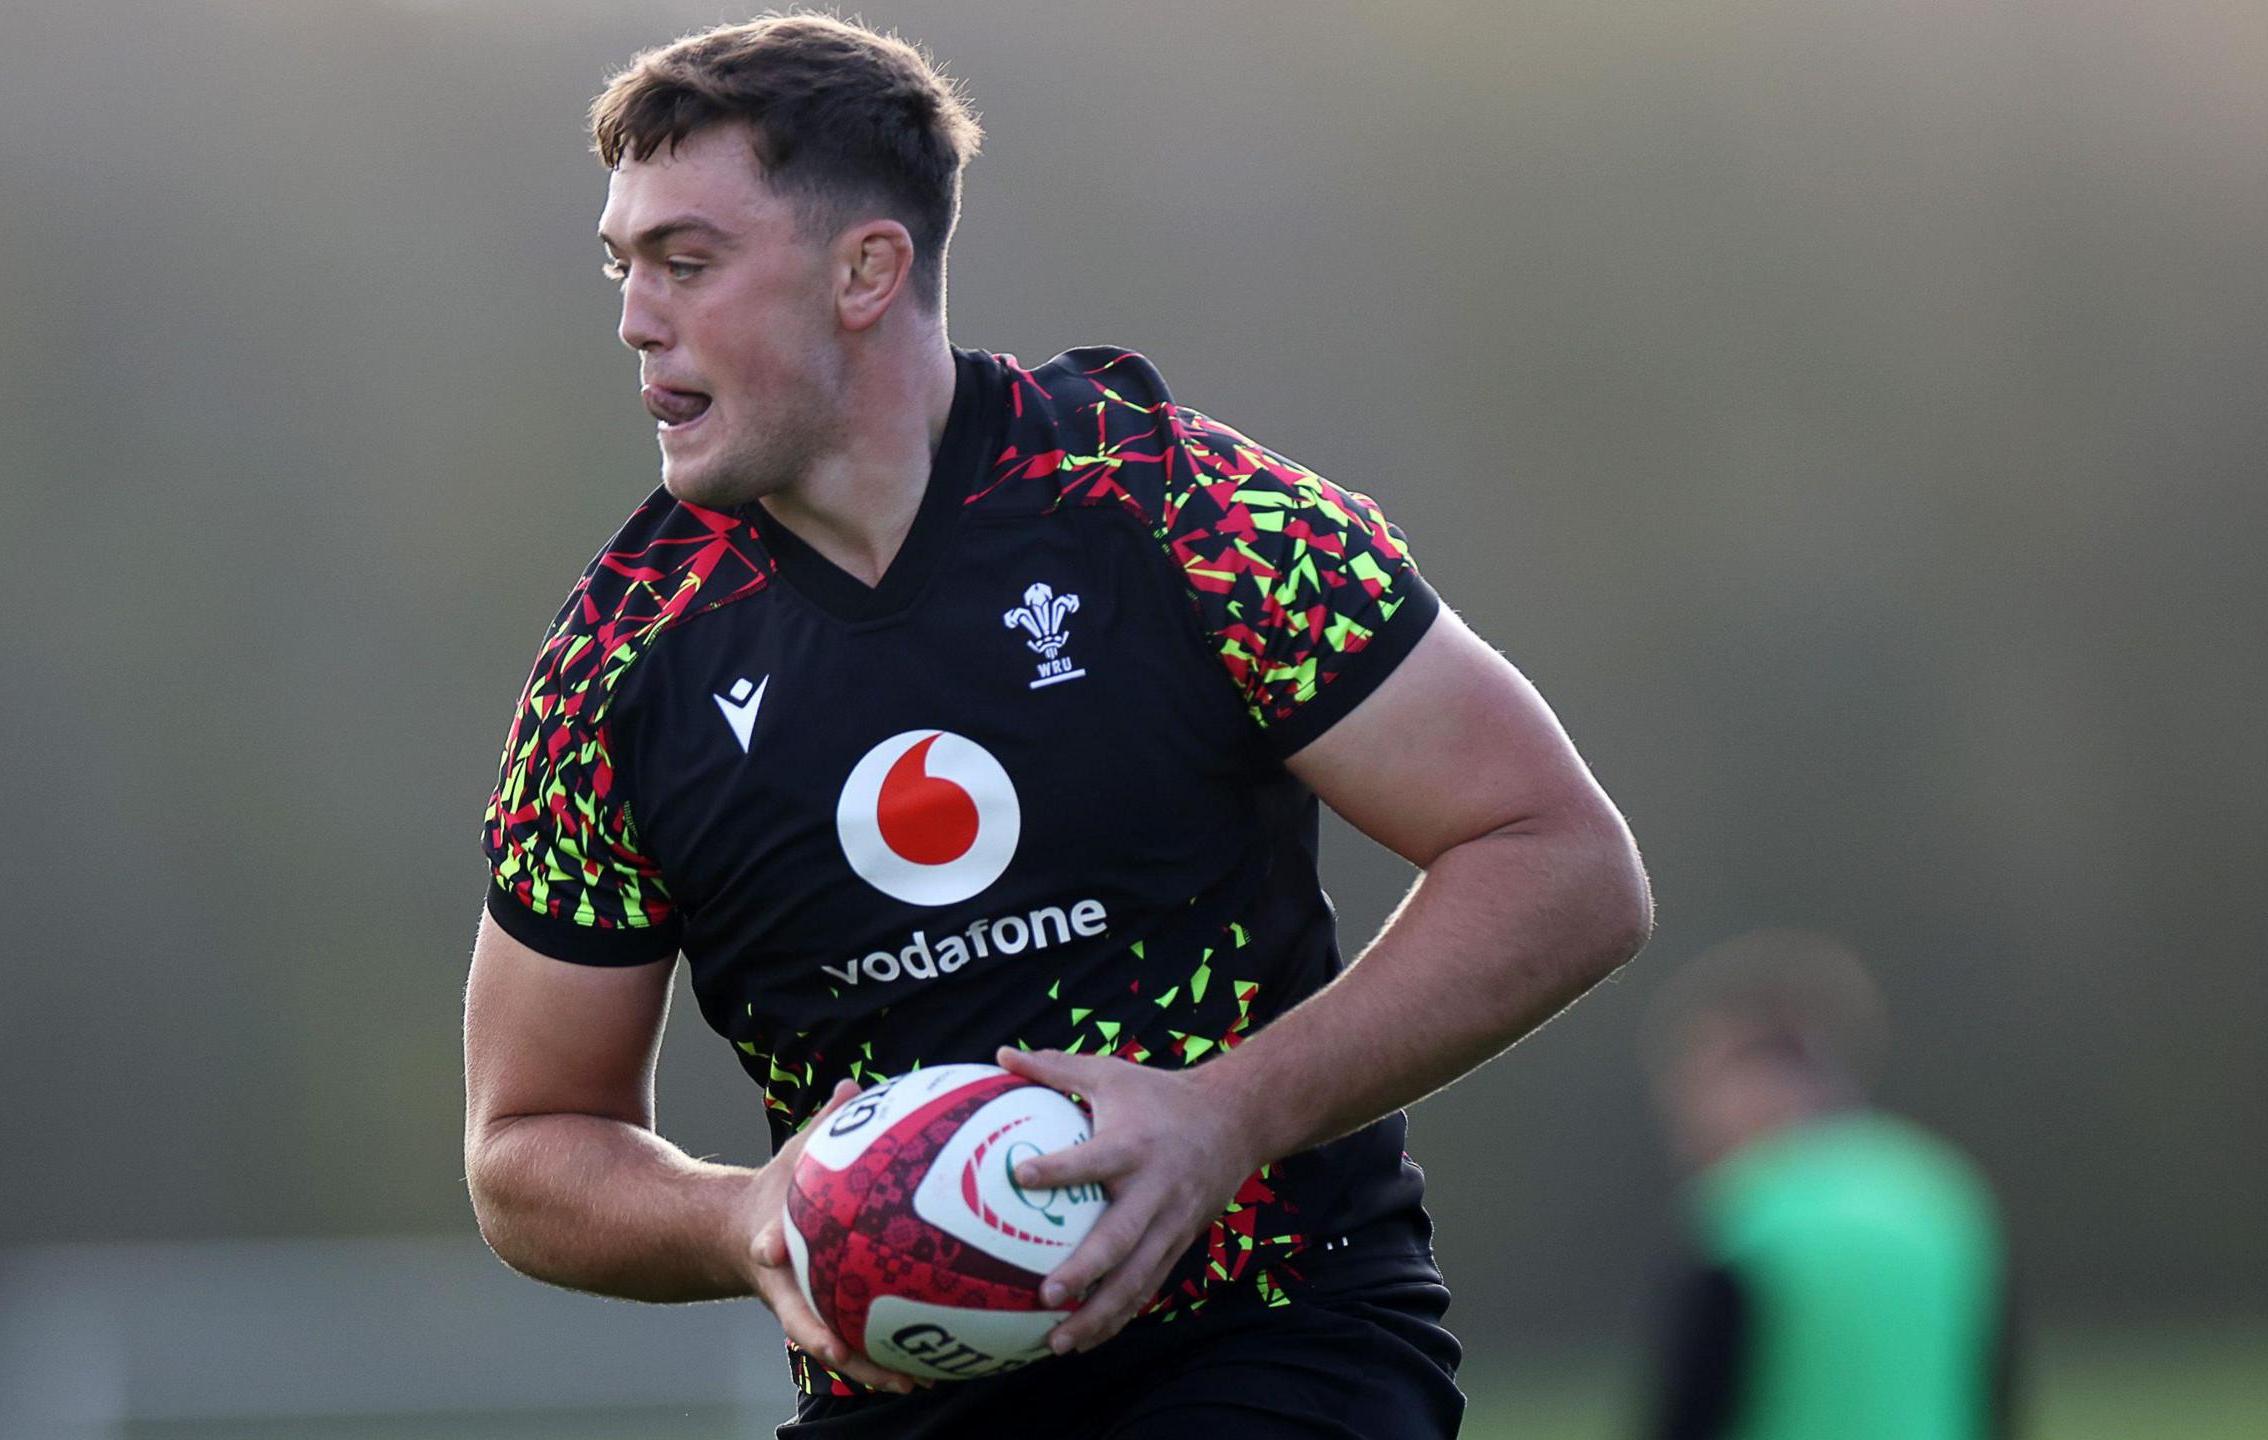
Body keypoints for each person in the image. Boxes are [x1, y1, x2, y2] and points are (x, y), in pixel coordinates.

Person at [461, 14, 1652, 1437]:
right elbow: (527, 1143)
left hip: (1272, 1345)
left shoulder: (1177, 513)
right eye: (623, 265)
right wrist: (744, 1215)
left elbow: (1564, 860)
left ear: (866, 270)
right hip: (897, 1398)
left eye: (687, 262)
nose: (635, 318)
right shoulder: (618, 665)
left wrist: (1233, 1115)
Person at [1640, 931, 2015, 1440]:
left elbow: (1690, 1412)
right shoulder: (1943, 1192)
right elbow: (1996, 1392)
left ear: (1754, 1083)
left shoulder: (1744, 1215)